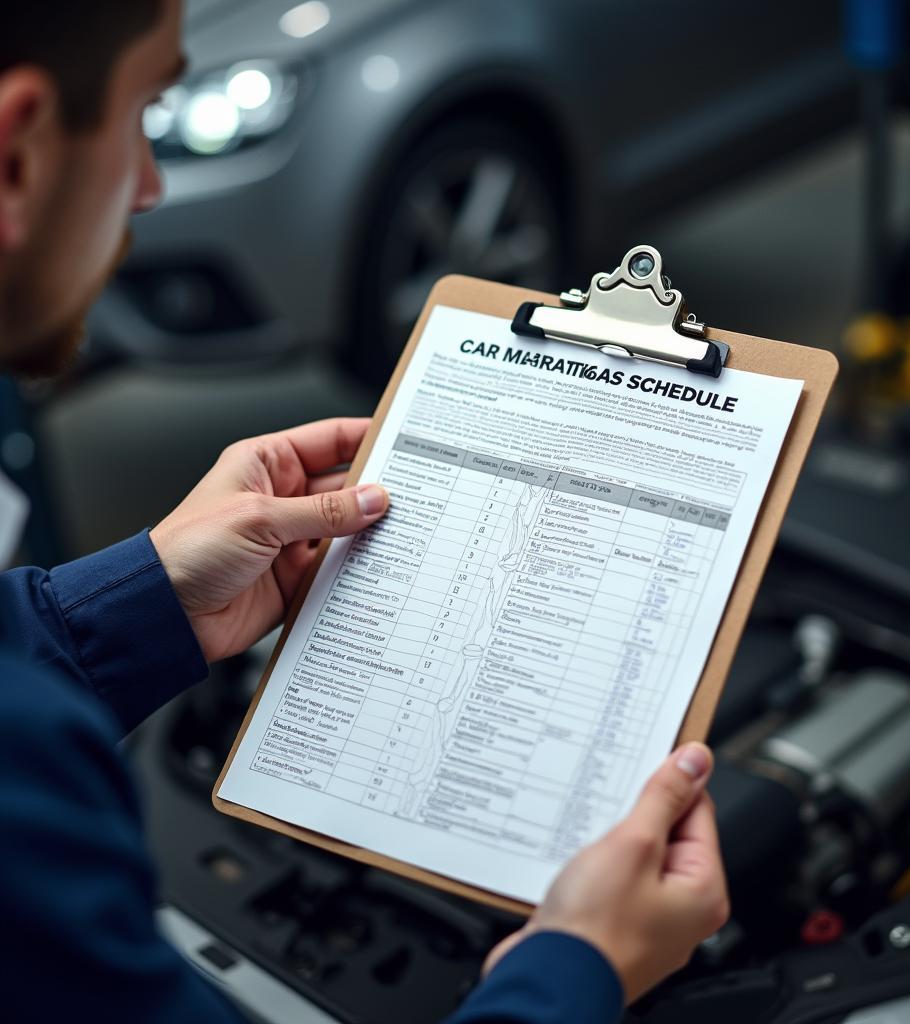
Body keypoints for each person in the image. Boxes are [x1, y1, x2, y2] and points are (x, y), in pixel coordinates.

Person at [0, 3, 728, 1022]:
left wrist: (144, 599)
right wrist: (576, 961)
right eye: (143, 115)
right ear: (18, 154)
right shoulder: (26, 787)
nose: (151, 185)